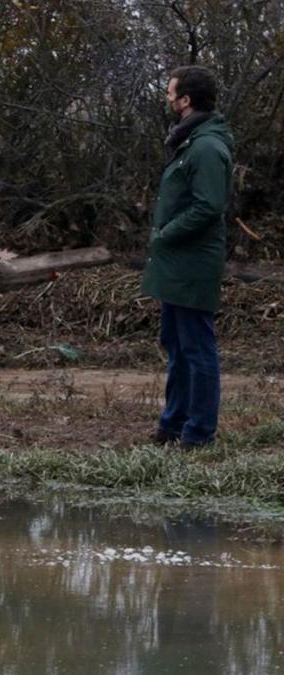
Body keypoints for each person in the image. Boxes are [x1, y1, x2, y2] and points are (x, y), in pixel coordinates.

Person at [141, 66, 234, 449]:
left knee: (197, 348)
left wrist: (165, 234)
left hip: (193, 262)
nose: (166, 98)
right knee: (176, 345)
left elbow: (209, 207)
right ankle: (172, 426)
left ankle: (198, 435)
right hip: (176, 263)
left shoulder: (208, 146)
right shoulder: (189, 140)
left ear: (186, 100)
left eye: (170, 92)